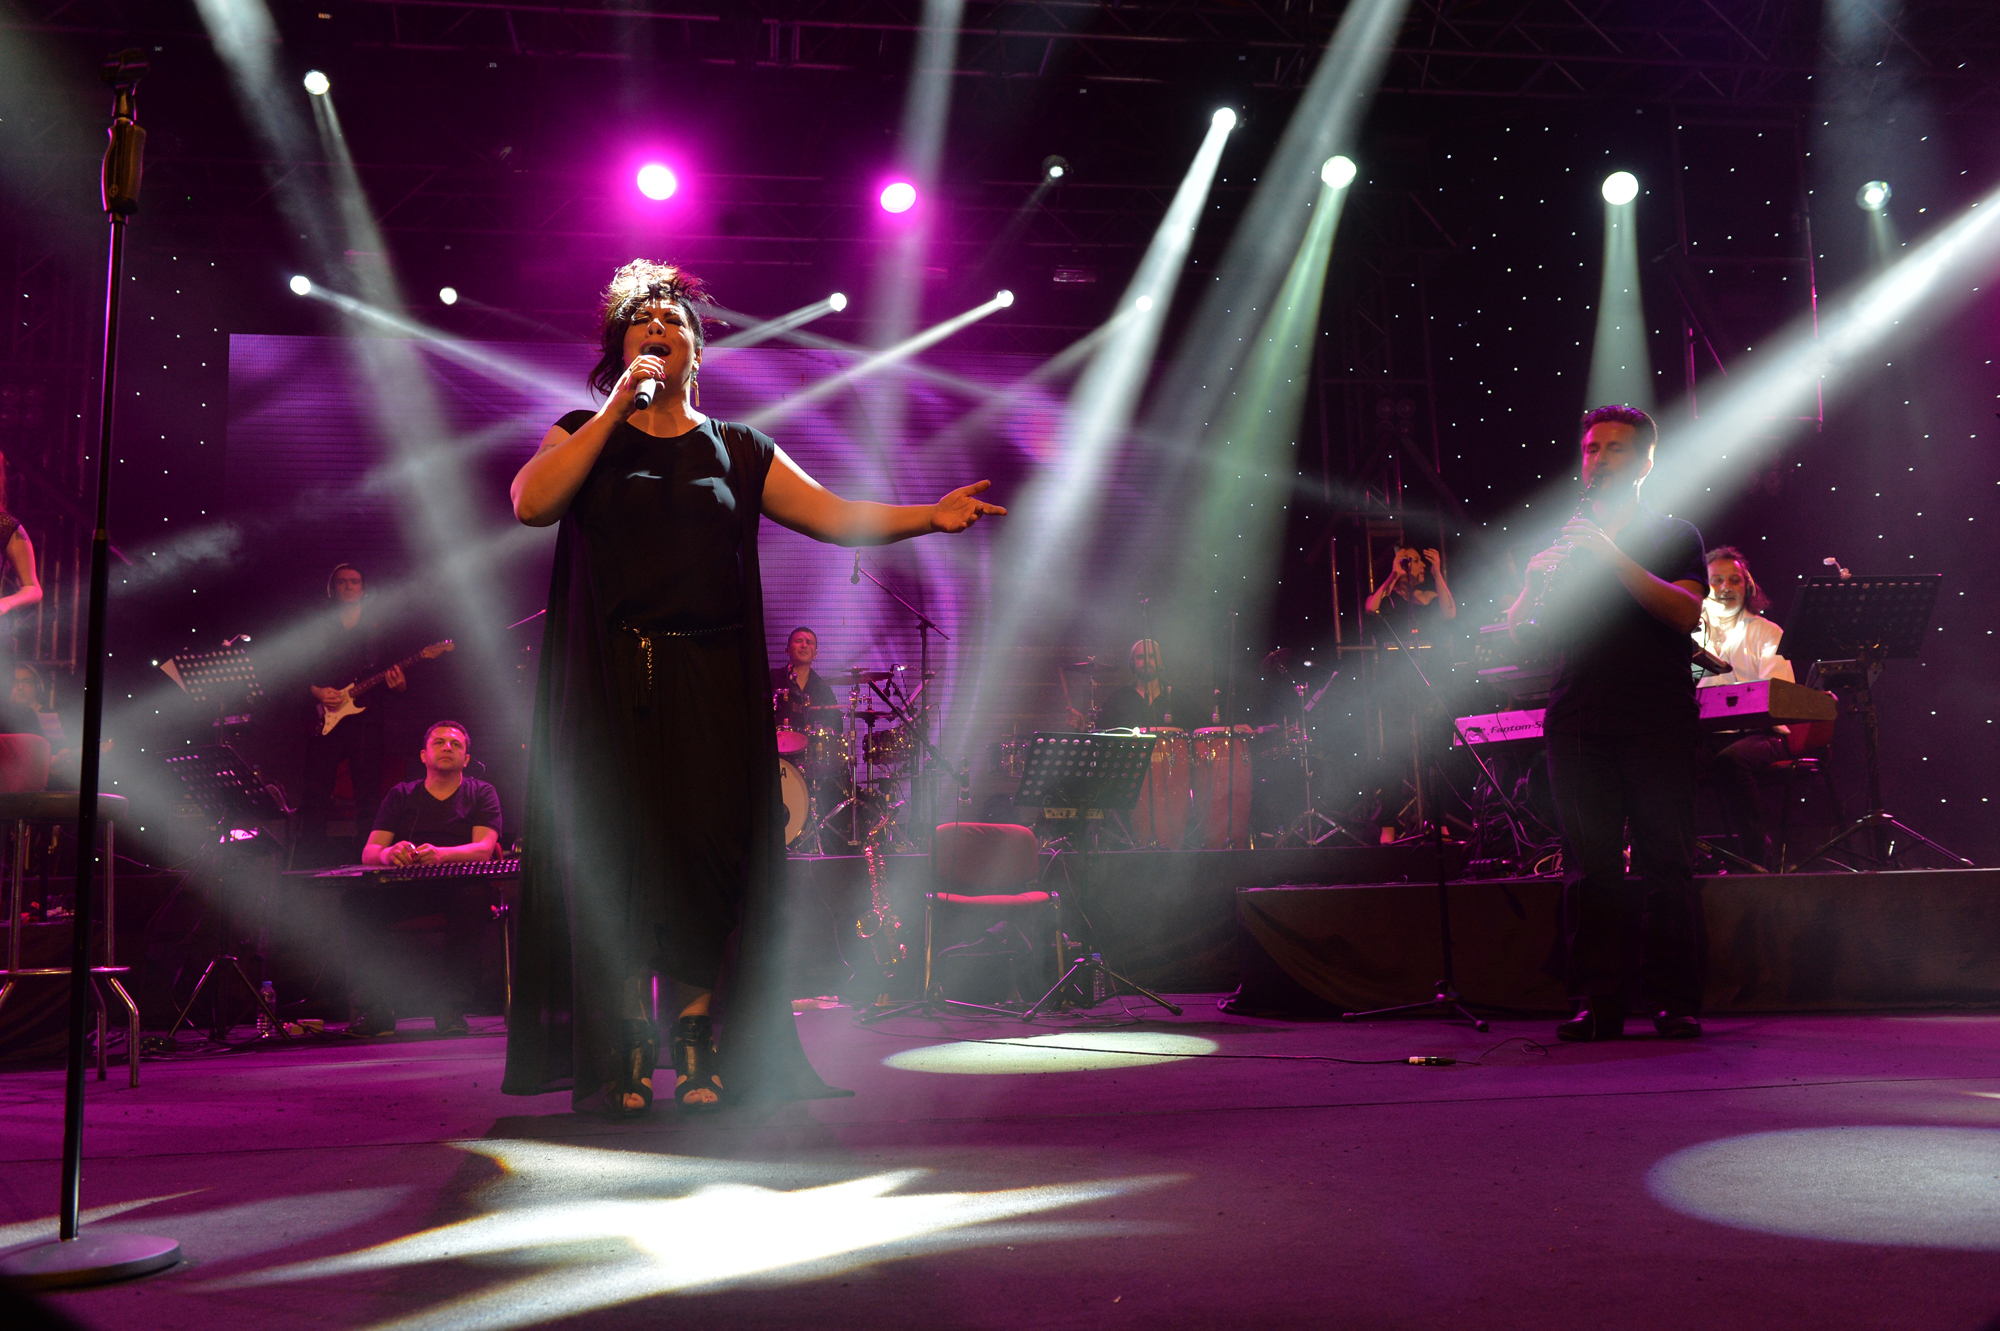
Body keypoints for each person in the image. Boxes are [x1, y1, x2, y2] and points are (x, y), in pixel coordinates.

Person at [503, 259, 1004, 1117]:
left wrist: (929, 516)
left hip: (709, 677)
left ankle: (696, 1037)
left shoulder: (738, 448)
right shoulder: (583, 430)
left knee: (706, 862)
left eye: (674, 321)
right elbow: (530, 503)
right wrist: (617, 407)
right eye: (642, 321)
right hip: (613, 680)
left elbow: (833, 513)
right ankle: (627, 1047)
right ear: (619, 348)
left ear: (698, 350)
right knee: (619, 861)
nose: (658, 328)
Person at [1506, 405, 1707, 1042]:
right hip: (1577, 715)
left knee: (1665, 860)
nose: (1599, 460)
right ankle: (1597, 1002)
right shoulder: (1564, 539)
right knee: (1589, 866)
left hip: (1656, 714)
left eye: (1616, 449)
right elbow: (1521, 636)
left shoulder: (1675, 534)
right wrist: (1530, 586)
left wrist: (1611, 555)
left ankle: (1673, 1000)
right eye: (1593, 449)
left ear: (1645, 462)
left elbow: (1684, 614)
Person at [346, 721, 502, 1037]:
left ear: (466, 759)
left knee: (473, 897)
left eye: (456, 744)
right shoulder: (400, 795)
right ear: (423, 755)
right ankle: (376, 1009)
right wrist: (389, 854)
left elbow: (484, 849)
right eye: (439, 742)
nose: (447, 748)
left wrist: (442, 855)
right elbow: (370, 851)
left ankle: (451, 1008)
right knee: (357, 902)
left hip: (460, 886)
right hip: (409, 887)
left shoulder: (482, 793)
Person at [1693, 546, 1795, 869]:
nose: (1725, 587)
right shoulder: (1689, 633)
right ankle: (1677, 856)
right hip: (1708, 735)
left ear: (1747, 586)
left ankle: (1755, 857)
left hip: (1762, 734)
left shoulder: (1767, 632)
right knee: (1665, 762)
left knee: (1732, 761)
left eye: (1734, 580)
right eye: (1717, 580)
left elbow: (1780, 696)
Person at [300, 565, 407, 864]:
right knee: (315, 792)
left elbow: (395, 673)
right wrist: (317, 692)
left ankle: (368, 862)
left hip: (366, 719)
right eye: (342, 582)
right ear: (331, 589)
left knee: (368, 794)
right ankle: (309, 863)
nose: (349, 587)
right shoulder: (317, 625)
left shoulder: (380, 626)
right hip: (327, 716)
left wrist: (400, 685)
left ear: (364, 588)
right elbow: (297, 671)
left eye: (355, 582)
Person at [1364, 544, 1456, 648]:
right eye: (1416, 561)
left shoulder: (1427, 596)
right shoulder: (1386, 595)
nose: (1423, 565)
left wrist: (1437, 574)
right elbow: (1371, 608)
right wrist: (1395, 574)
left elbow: (1449, 613)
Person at [1096, 639, 1175, 730]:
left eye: (1152, 656)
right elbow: (1101, 733)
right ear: (1132, 663)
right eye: (1141, 657)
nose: (1147, 661)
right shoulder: (1116, 701)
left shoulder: (1178, 699)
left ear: (1161, 661)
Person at [771, 625, 837, 728]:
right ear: (788, 650)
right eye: (799, 641)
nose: (804, 645)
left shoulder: (823, 688)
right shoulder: (772, 678)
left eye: (809, 642)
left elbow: (835, 723)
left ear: (815, 654)